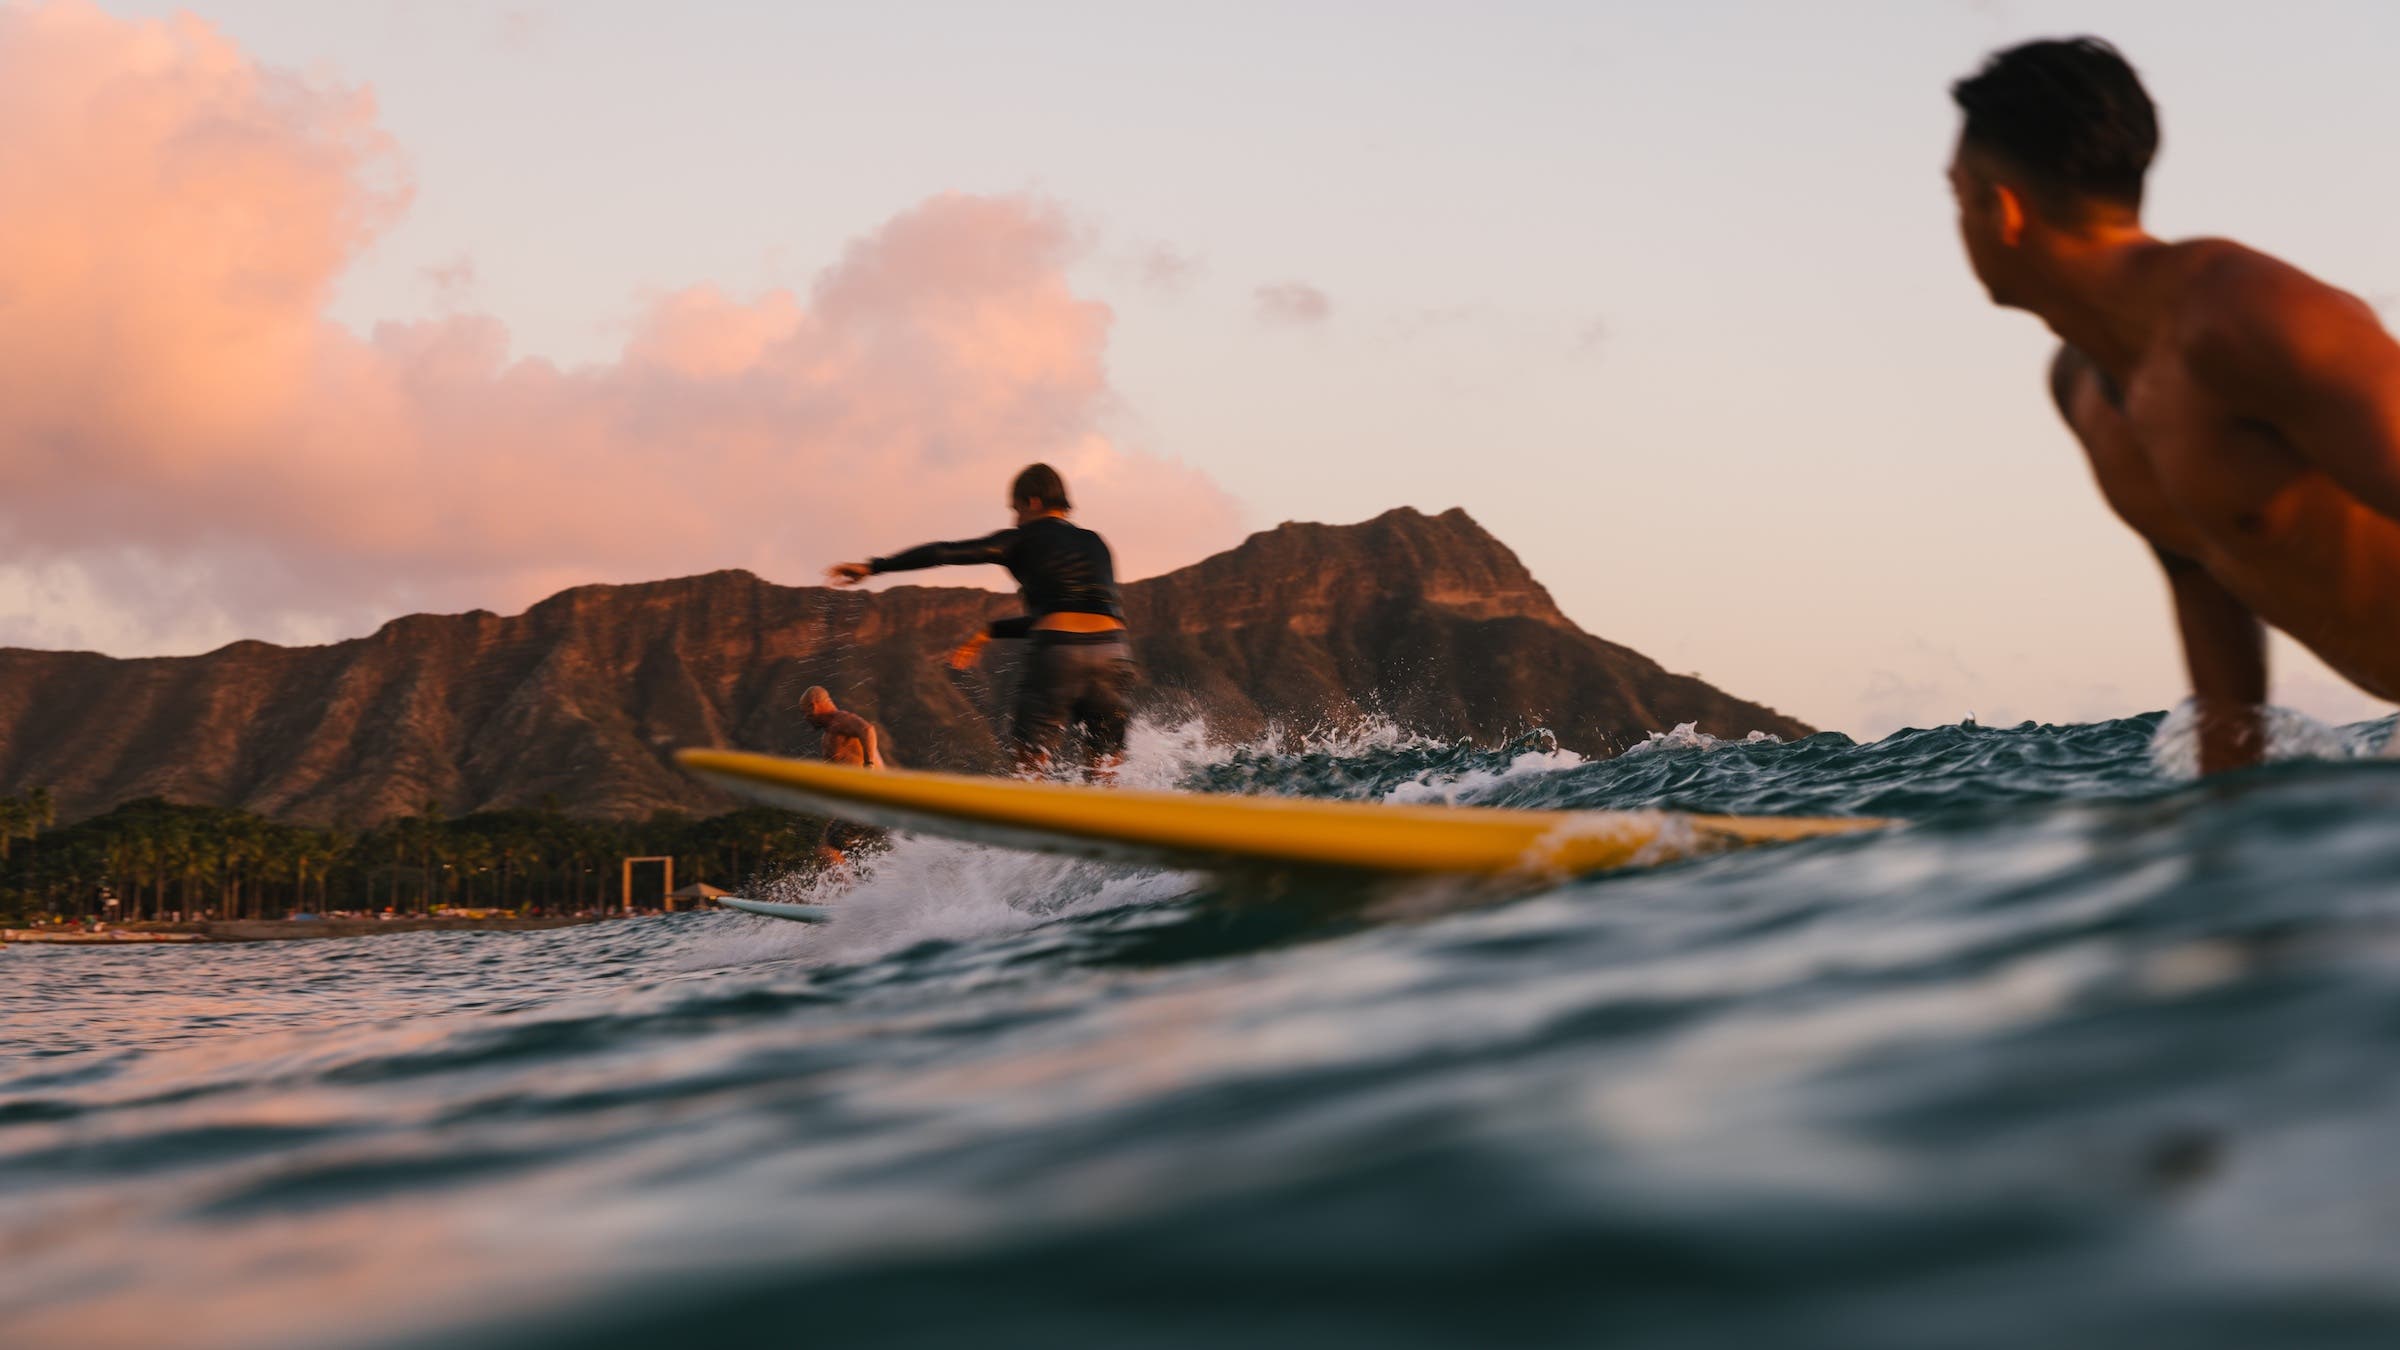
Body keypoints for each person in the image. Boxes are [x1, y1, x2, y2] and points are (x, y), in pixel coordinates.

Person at [1949, 37, 2400, 774]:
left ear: (2000, 210)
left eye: (1954, 196)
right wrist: (2222, 837)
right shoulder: (2085, 390)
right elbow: (2208, 591)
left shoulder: (2247, 316)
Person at [828, 463, 1137, 774]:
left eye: (1015, 510)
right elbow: (1079, 617)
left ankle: (1025, 817)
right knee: (1103, 768)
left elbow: (943, 552)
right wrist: (990, 631)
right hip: (1114, 653)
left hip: (1058, 655)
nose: (1015, 520)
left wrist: (874, 566)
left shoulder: (1020, 539)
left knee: (1031, 768)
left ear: (1032, 502)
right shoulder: (1097, 543)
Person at [801, 685, 886, 865]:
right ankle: (861, 886)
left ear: (813, 706)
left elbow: (867, 730)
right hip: (859, 801)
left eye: (805, 713)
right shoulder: (829, 735)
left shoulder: (840, 720)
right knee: (834, 846)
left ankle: (854, 889)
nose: (805, 718)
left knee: (832, 845)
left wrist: (868, 765)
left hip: (873, 796)